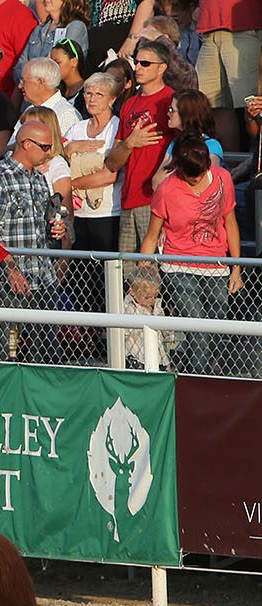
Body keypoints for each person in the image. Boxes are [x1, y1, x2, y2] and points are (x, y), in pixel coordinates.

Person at [140, 133, 242, 374]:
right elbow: (152, 235)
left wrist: (236, 267)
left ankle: (189, 365)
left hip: (216, 263)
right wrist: (144, 272)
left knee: (216, 328)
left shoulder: (222, 179)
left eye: (199, 174)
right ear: (178, 169)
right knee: (197, 327)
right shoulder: (166, 189)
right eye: (189, 176)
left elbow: (231, 222)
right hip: (178, 266)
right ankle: (198, 383)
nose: (195, 179)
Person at [0, 121, 69, 360]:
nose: (49, 152)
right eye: (45, 147)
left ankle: (44, 391)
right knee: (3, 343)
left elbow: (41, 226)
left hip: (42, 275)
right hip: (10, 276)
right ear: (25, 144)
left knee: (47, 347)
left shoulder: (39, 179)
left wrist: (55, 230)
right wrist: (11, 267)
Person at [106, 38, 175, 259]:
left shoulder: (171, 101)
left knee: (151, 274)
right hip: (128, 199)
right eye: (137, 62)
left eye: (145, 63)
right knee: (126, 274)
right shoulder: (129, 104)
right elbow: (112, 162)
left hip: (155, 201)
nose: (137, 67)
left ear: (162, 67)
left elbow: (183, 150)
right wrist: (130, 143)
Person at [64, 71, 121, 310]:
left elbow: (110, 175)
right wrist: (72, 148)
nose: (92, 99)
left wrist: (73, 184)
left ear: (111, 100)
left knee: (103, 283)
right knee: (79, 282)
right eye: (88, 93)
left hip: (107, 214)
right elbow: (59, 163)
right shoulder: (76, 128)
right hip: (78, 215)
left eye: (99, 94)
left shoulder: (117, 127)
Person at [193, 0, 262, 152]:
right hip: (209, 31)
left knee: (251, 106)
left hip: (244, 27)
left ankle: (252, 163)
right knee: (211, 106)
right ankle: (230, 165)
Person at [150, 87, 223, 189]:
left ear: (186, 115)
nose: (168, 114)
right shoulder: (175, 143)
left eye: (172, 110)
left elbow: (207, 185)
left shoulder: (211, 146)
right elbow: (156, 182)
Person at [17, 0, 88, 83]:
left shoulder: (75, 27)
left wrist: (29, 75)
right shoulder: (38, 30)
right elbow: (19, 67)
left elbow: (58, 68)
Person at [12, 56, 82, 140]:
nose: (20, 86)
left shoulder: (66, 115)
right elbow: (11, 148)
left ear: (40, 82)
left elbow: (66, 150)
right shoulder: (29, 110)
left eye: (23, 81)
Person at [50, 38, 87, 116]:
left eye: (57, 63)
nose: (53, 67)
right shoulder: (55, 91)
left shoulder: (88, 92)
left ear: (74, 62)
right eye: (51, 63)